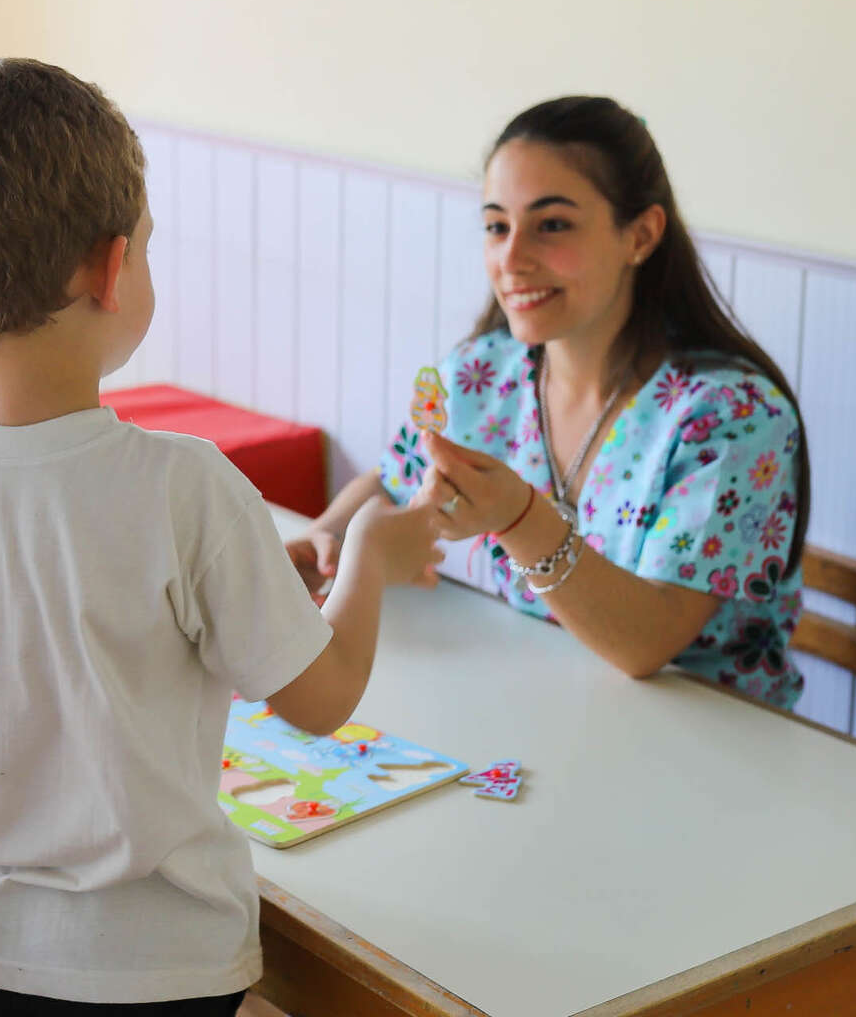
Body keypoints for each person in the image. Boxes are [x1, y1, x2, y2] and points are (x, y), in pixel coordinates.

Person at [0, 58, 446, 1015]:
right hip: (154, 973)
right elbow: (321, 702)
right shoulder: (185, 484)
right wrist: (367, 557)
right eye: (146, 246)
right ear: (110, 269)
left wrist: (20, 797)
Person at [287, 96, 812, 709]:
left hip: (714, 748)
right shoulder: (481, 371)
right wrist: (324, 539)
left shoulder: (732, 418)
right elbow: (396, 482)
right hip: (535, 710)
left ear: (640, 236)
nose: (511, 259)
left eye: (553, 225)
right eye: (496, 226)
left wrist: (519, 518)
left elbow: (646, 644)